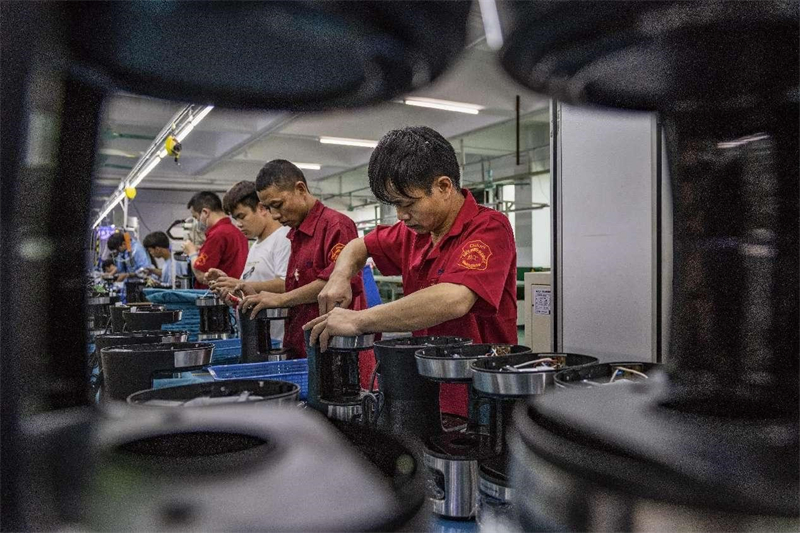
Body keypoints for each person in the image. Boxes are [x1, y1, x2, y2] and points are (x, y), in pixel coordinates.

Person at [305, 126, 518, 418]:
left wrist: (360, 320)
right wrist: (339, 277)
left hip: (479, 396)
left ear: (443, 187)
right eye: (395, 205)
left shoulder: (489, 228)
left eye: (408, 203)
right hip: (425, 389)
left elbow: (454, 299)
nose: (401, 215)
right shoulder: (413, 234)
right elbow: (358, 246)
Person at [240, 160, 367, 362]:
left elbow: (335, 286)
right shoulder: (295, 234)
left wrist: (281, 299)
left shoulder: (336, 225)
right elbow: (298, 286)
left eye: (278, 205)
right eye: (268, 208)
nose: (274, 215)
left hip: (335, 353)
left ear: (300, 189)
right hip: (302, 345)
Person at [208, 180, 291, 344]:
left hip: (278, 341)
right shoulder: (256, 245)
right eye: (234, 219)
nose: (238, 224)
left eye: (242, 216)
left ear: (261, 208)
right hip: (257, 337)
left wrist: (238, 283)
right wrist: (229, 287)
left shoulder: (284, 238)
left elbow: (287, 283)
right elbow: (251, 288)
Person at [182, 191, 249, 289]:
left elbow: (201, 275)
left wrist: (191, 252)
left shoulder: (217, 234)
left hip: (218, 297)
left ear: (205, 212)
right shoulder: (236, 232)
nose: (197, 222)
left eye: (196, 217)